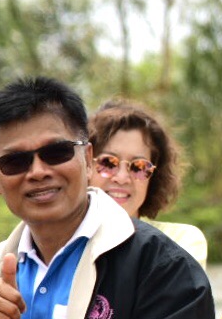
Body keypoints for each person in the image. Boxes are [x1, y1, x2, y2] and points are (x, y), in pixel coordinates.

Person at [0, 77, 215, 319]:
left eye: (56, 152)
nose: (37, 172)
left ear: (87, 159)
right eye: (14, 161)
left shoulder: (162, 268)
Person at [87, 99, 208, 267]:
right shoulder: (58, 242)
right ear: (84, 167)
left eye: (139, 166)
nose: (122, 177)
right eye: (108, 162)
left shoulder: (179, 243)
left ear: (154, 177)